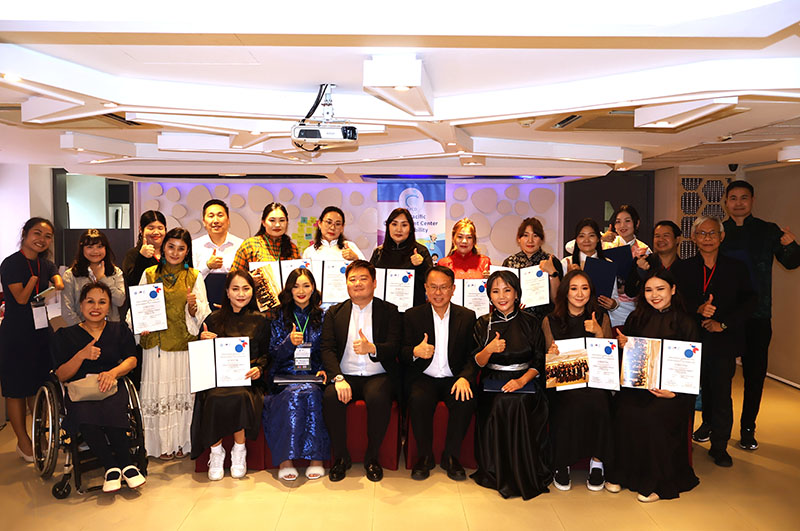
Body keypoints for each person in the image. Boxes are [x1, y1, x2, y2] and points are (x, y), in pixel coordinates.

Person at [607, 270, 700, 502]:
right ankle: (626, 474)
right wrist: (624, 344)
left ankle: (658, 483)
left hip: (672, 393)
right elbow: (630, 359)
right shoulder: (636, 318)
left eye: (660, 289)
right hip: (639, 387)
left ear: (673, 290)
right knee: (624, 411)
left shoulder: (686, 322)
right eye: (649, 290)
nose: (654, 295)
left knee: (653, 416)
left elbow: (691, 367)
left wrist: (674, 392)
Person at [721, 180, 800, 450]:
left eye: (744, 197)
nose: (739, 202)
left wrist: (792, 245)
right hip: (725, 317)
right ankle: (714, 423)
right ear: (726, 202)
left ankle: (747, 428)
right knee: (719, 374)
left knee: (754, 376)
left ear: (752, 200)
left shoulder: (768, 231)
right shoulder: (718, 232)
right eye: (733, 198)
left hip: (758, 315)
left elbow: (792, 261)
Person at [675, 216, 756, 467]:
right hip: (690, 341)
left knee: (721, 395)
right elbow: (674, 302)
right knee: (685, 394)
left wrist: (723, 323)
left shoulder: (737, 267)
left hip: (723, 340)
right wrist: (697, 309)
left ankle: (719, 446)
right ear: (693, 238)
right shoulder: (684, 268)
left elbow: (750, 301)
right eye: (702, 234)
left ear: (722, 237)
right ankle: (681, 444)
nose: (707, 238)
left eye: (712, 234)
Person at [52, 282, 146, 492]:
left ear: (109, 305)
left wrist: (113, 373)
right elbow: (61, 374)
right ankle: (111, 466)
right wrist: (81, 356)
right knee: (84, 414)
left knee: (114, 408)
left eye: (102, 302)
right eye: (90, 301)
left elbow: (132, 359)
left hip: (111, 384)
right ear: (81, 305)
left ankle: (126, 464)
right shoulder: (65, 336)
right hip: (80, 391)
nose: (96, 306)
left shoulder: (118, 329)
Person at [470, 270, 551, 499]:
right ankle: (497, 471)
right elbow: (476, 361)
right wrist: (488, 350)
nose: (502, 296)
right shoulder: (482, 323)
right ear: (489, 295)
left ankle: (524, 470)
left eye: (507, 290)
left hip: (527, 382)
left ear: (516, 293)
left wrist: (521, 380)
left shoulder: (530, 322)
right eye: (495, 291)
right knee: (500, 402)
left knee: (518, 402)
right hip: (492, 381)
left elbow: (539, 360)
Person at [320, 260, 402, 482]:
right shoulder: (334, 313)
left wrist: (373, 348)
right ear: (346, 284)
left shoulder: (389, 311)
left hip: (378, 374)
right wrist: (338, 378)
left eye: (363, 278)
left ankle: (372, 457)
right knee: (330, 396)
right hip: (345, 375)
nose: (357, 284)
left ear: (374, 283)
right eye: (352, 279)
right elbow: (326, 348)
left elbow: (395, 345)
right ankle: (341, 458)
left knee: (378, 396)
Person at [134, 228, 211, 459]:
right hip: (155, 345)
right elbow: (137, 308)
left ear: (187, 251)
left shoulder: (194, 276)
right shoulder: (149, 274)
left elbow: (203, 314)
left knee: (181, 395)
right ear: (164, 247)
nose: (175, 253)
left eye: (181, 248)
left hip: (182, 345)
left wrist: (192, 307)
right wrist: (140, 324)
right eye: (171, 246)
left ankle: (180, 443)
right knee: (158, 393)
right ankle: (159, 445)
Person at [401, 266, 477, 481]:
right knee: (417, 398)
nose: (438, 292)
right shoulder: (413, 316)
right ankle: (424, 456)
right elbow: (402, 351)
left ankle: (451, 457)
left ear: (453, 289)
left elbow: (473, 355)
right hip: (424, 377)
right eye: (433, 287)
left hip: (454, 378)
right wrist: (415, 352)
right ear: (425, 288)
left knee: (465, 400)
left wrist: (465, 377)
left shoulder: (467, 316)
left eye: (444, 287)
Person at [190, 270, 268, 480]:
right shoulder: (214, 319)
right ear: (227, 291)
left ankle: (239, 451)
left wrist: (259, 368)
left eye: (246, 288)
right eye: (235, 289)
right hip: (218, 378)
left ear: (253, 290)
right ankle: (216, 453)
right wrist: (202, 339)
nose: (241, 294)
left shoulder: (260, 320)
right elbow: (202, 357)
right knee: (214, 396)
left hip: (246, 379)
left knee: (241, 395)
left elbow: (267, 354)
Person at [541, 270, 613, 491]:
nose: (579, 294)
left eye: (585, 288)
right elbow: (547, 360)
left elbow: (609, 357)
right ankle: (562, 463)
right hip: (565, 382)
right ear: (565, 292)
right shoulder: (550, 319)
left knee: (600, 399)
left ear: (591, 291)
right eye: (574, 288)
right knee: (569, 400)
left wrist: (599, 334)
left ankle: (597, 462)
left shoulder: (600, 317)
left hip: (596, 379)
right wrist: (551, 353)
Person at [0, 217, 63, 463]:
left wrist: (55, 280)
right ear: (25, 233)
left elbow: (57, 282)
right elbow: (23, 299)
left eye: (47, 237)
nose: (42, 240)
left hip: (40, 332)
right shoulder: (11, 263)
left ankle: (40, 436)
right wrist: (37, 280)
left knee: (38, 386)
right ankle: (23, 441)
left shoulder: (45, 264)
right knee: (16, 390)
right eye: (37, 233)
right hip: (16, 334)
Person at [262, 268, 330, 481]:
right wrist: (288, 344)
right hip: (284, 376)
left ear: (313, 289)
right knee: (293, 395)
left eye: (306, 286)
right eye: (296, 286)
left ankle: (316, 458)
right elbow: (270, 355)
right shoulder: (277, 316)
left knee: (312, 392)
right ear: (289, 289)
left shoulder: (324, 316)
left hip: (312, 375)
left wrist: (325, 369)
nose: (301, 291)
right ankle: (285, 460)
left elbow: (329, 349)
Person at [369, 207, 433, 307]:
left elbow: (431, 283)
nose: (398, 229)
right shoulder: (378, 253)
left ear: (411, 229)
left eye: (404, 225)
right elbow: (370, 280)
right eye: (394, 224)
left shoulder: (420, 251)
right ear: (388, 227)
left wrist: (422, 265)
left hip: (413, 312)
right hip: (384, 311)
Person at [502, 217, 563, 321]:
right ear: (518, 239)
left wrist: (552, 273)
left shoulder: (551, 261)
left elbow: (558, 299)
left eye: (535, 236)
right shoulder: (509, 262)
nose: (530, 240)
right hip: (516, 320)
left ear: (541, 239)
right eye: (525, 235)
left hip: (545, 320)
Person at [61, 229, 126, 326]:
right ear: (82, 248)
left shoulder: (115, 272)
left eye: (100, 246)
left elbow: (120, 301)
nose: (95, 251)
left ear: (106, 248)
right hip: (81, 332)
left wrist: (103, 279)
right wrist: (84, 331)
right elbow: (67, 311)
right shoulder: (71, 275)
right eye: (90, 247)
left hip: (110, 330)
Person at [603, 206, 652, 328]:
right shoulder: (607, 245)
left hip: (632, 306)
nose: (622, 225)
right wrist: (601, 238)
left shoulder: (644, 249)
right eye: (618, 222)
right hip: (608, 303)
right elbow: (571, 247)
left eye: (627, 221)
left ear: (637, 223)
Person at [561, 218, 620, 315]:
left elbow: (615, 296)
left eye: (591, 235)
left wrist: (613, 304)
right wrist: (569, 276)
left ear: (598, 238)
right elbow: (559, 298)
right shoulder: (566, 263)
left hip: (599, 316)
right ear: (576, 239)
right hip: (572, 317)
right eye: (581, 236)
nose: (586, 240)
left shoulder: (607, 263)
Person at [192, 199, 244, 308]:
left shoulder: (241, 245)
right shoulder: (194, 246)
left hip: (235, 305)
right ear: (204, 221)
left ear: (228, 220)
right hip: (202, 305)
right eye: (211, 216)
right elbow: (189, 279)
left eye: (220, 215)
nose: (215, 220)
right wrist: (207, 266)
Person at [232, 202, 300, 271]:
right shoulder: (250, 245)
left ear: (287, 222)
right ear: (263, 222)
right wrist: (250, 278)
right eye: (272, 220)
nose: (277, 225)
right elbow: (233, 276)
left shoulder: (293, 248)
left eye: (282, 220)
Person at [625, 220, 683, 298]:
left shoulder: (685, 267)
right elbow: (630, 292)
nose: (661, 239)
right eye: (657, 236)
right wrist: (641, 272)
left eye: (666, 235)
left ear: (677, 239)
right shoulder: (641, 262)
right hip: (648, 309)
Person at [122, 210, 166, 289]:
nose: (156, 232)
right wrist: (142, 258)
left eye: (160, 228)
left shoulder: (170, 253)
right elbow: (131, 283)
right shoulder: (133, 254)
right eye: (151, 228)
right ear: (141, 230)